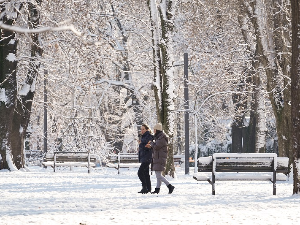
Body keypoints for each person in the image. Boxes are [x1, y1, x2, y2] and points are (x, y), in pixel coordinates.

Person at [146, 123, 175, 194]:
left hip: (160, 158)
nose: (154, 131)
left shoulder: (161, 138)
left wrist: (151, 143)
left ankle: (170, 186)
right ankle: (157, 189)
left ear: (158, 130)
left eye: (155, 130)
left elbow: (156, 146)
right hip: (158, 158)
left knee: (158, 175)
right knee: (158, 175)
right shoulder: (159, 137)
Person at [137, 124, 154, 194]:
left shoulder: (148, 136)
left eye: (143, 129)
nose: (142, 130)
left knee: (140, 172)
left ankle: (144, 187)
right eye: (141, 129)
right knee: (146, 173)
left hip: (147, 157)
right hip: (144, 157)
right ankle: (148, 188)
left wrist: (140, 144)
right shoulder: (143, 137)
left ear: (147, 129)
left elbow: (147, 146)